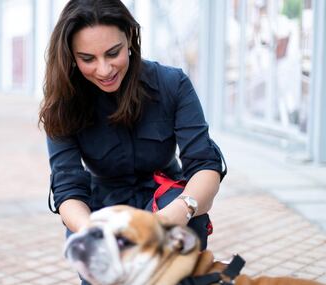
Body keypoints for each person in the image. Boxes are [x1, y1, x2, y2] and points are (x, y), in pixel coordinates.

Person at [39, 0, 226, 283]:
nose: (103, 70)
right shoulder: (62, 105)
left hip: (166, 201)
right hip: (105, 208)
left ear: (130, 38)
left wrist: (177, 213)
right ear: (70, 57)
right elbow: (68, 192)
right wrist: (96, 232)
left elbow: (205, 167)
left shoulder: (172, 84)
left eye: (113, 53)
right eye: (87, 59)